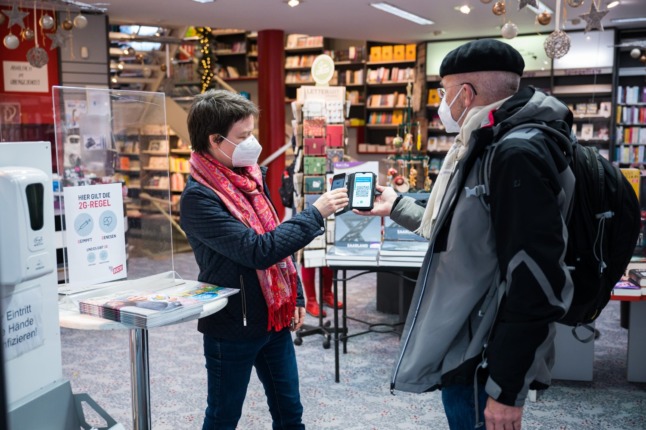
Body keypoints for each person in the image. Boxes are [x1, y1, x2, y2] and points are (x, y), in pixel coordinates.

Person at [355, 39, 575, 430]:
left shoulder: (514, 152)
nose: (442, 103)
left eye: (443, 92)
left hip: (484, 352)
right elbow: (469, 234)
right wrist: (400, 206)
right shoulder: (486, 141)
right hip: (467, 338)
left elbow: (535, 277)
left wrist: (507, 388)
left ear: (465, 93)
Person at [179, 89, 348, 430]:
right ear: (215, 140)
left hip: (274, 317)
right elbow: (258, 250)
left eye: (252, 133)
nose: (253, 143)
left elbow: (275, 233)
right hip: (233, 326)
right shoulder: (198, 198)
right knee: (223, 417)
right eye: (244, 136)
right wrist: (315, 213)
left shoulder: (249, 178)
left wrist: (296, 294)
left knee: (290, 412)